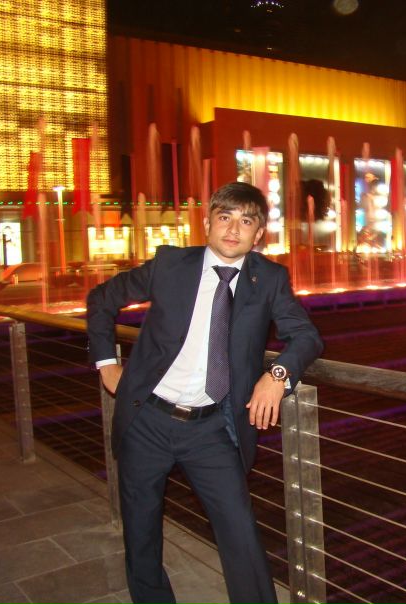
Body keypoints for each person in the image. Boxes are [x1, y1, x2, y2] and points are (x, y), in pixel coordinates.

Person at [87, 181, 323, 604]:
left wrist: (278, 374)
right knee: (141, 529)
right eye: (224, 217)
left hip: (211, 428)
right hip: (147, 420)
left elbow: (306, 336)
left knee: (239, 529)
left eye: (245, 221)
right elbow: (102, 299)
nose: (233, 229)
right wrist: (107, 364)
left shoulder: (268, 278)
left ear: (258, 233)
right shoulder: (171, 265)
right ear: (207, 222)